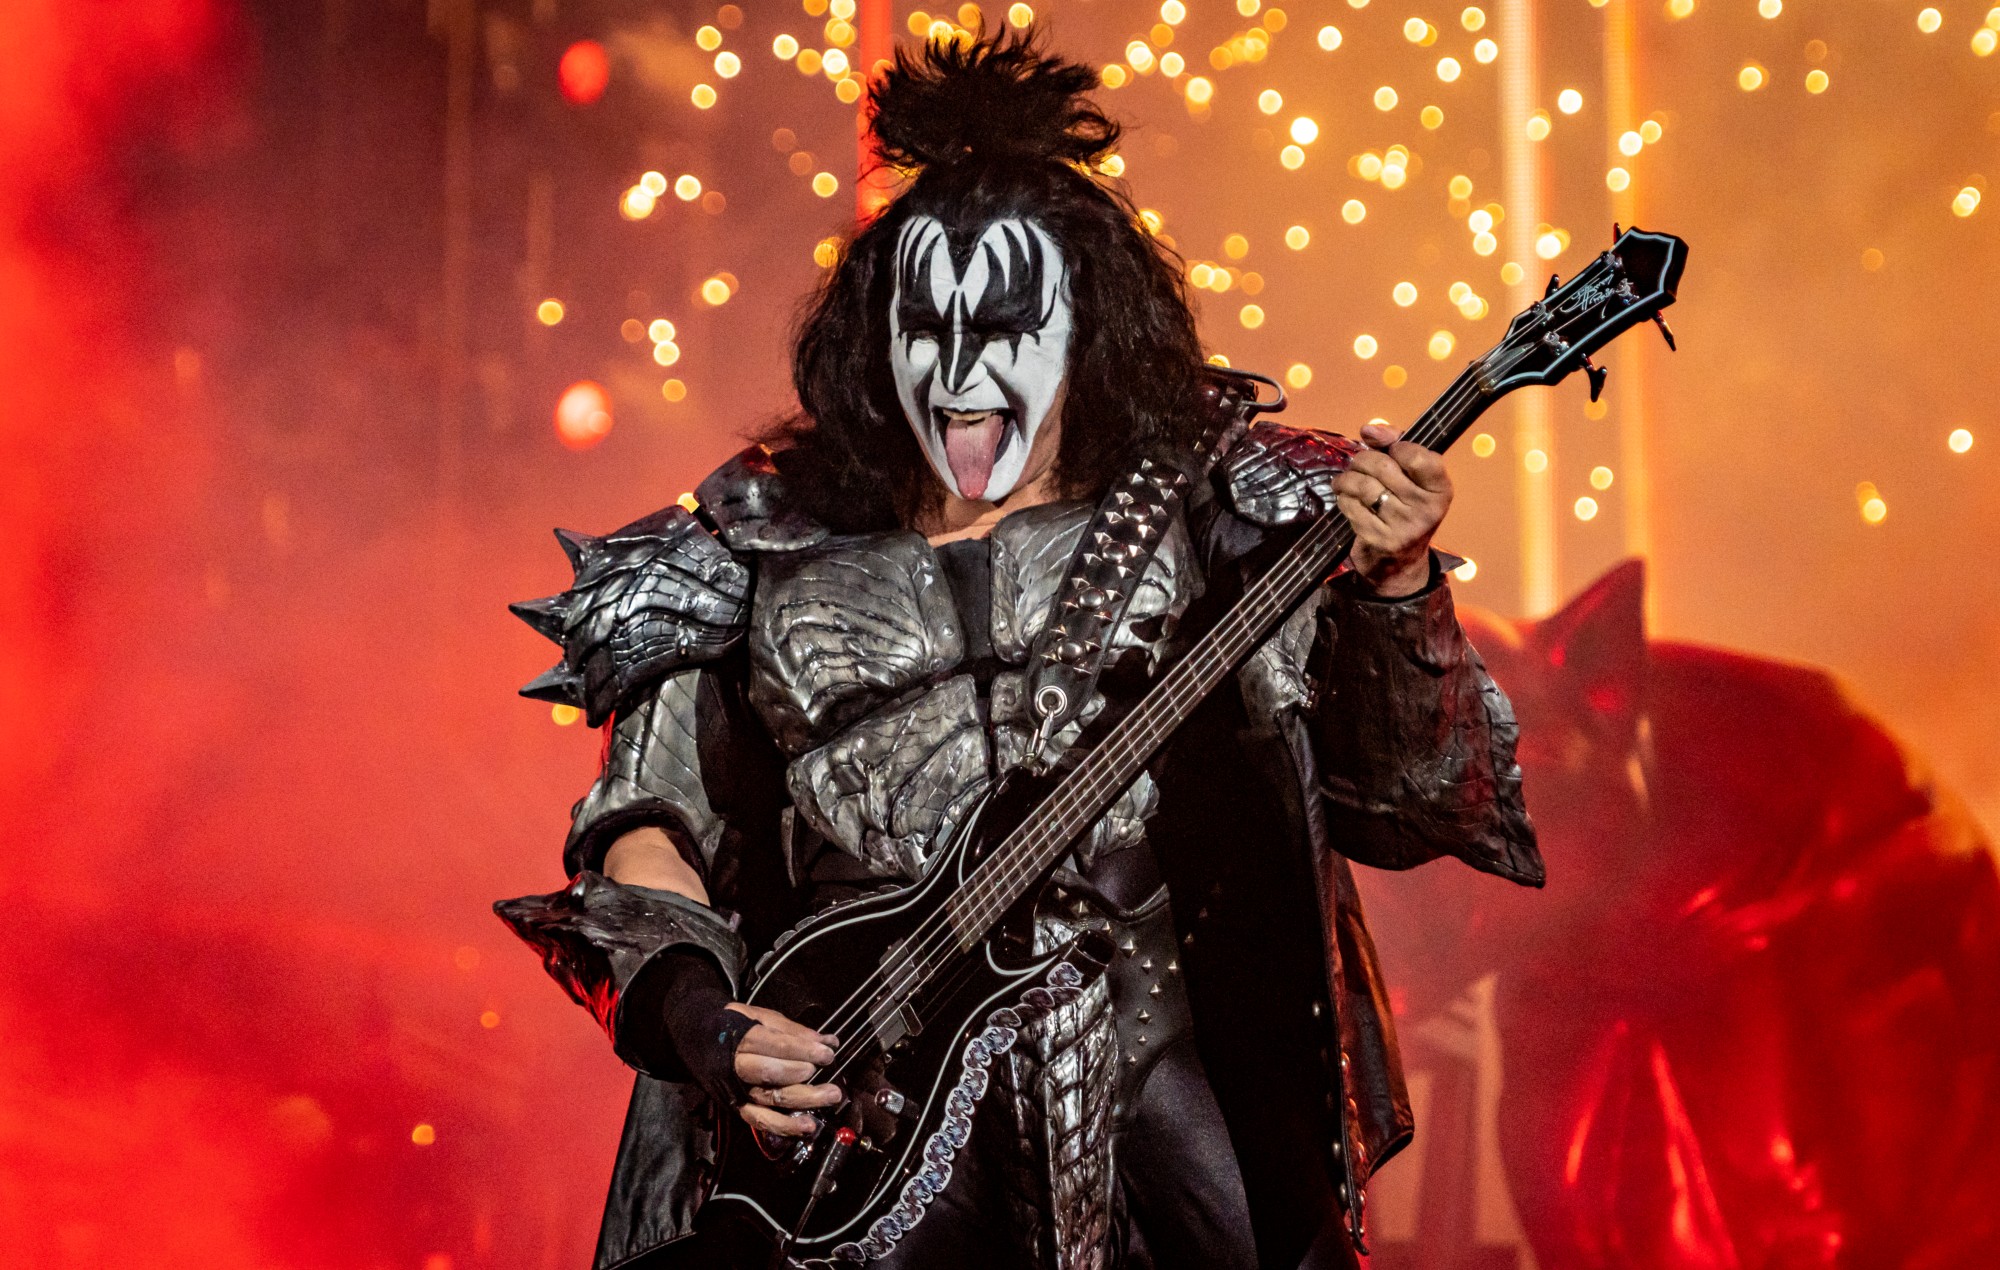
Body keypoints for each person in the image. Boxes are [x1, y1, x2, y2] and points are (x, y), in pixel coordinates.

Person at [498, 32, 1540, 1270]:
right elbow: (639, 829)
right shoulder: (752, 541)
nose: (959, 367)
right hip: (859, 1129)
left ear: (1086, 330)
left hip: (1165, 1084)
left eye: (1002, 324)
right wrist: (708, 1026)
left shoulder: (1222, 508)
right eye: (924, 324)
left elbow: (1412, 805)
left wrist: (1398, 586)